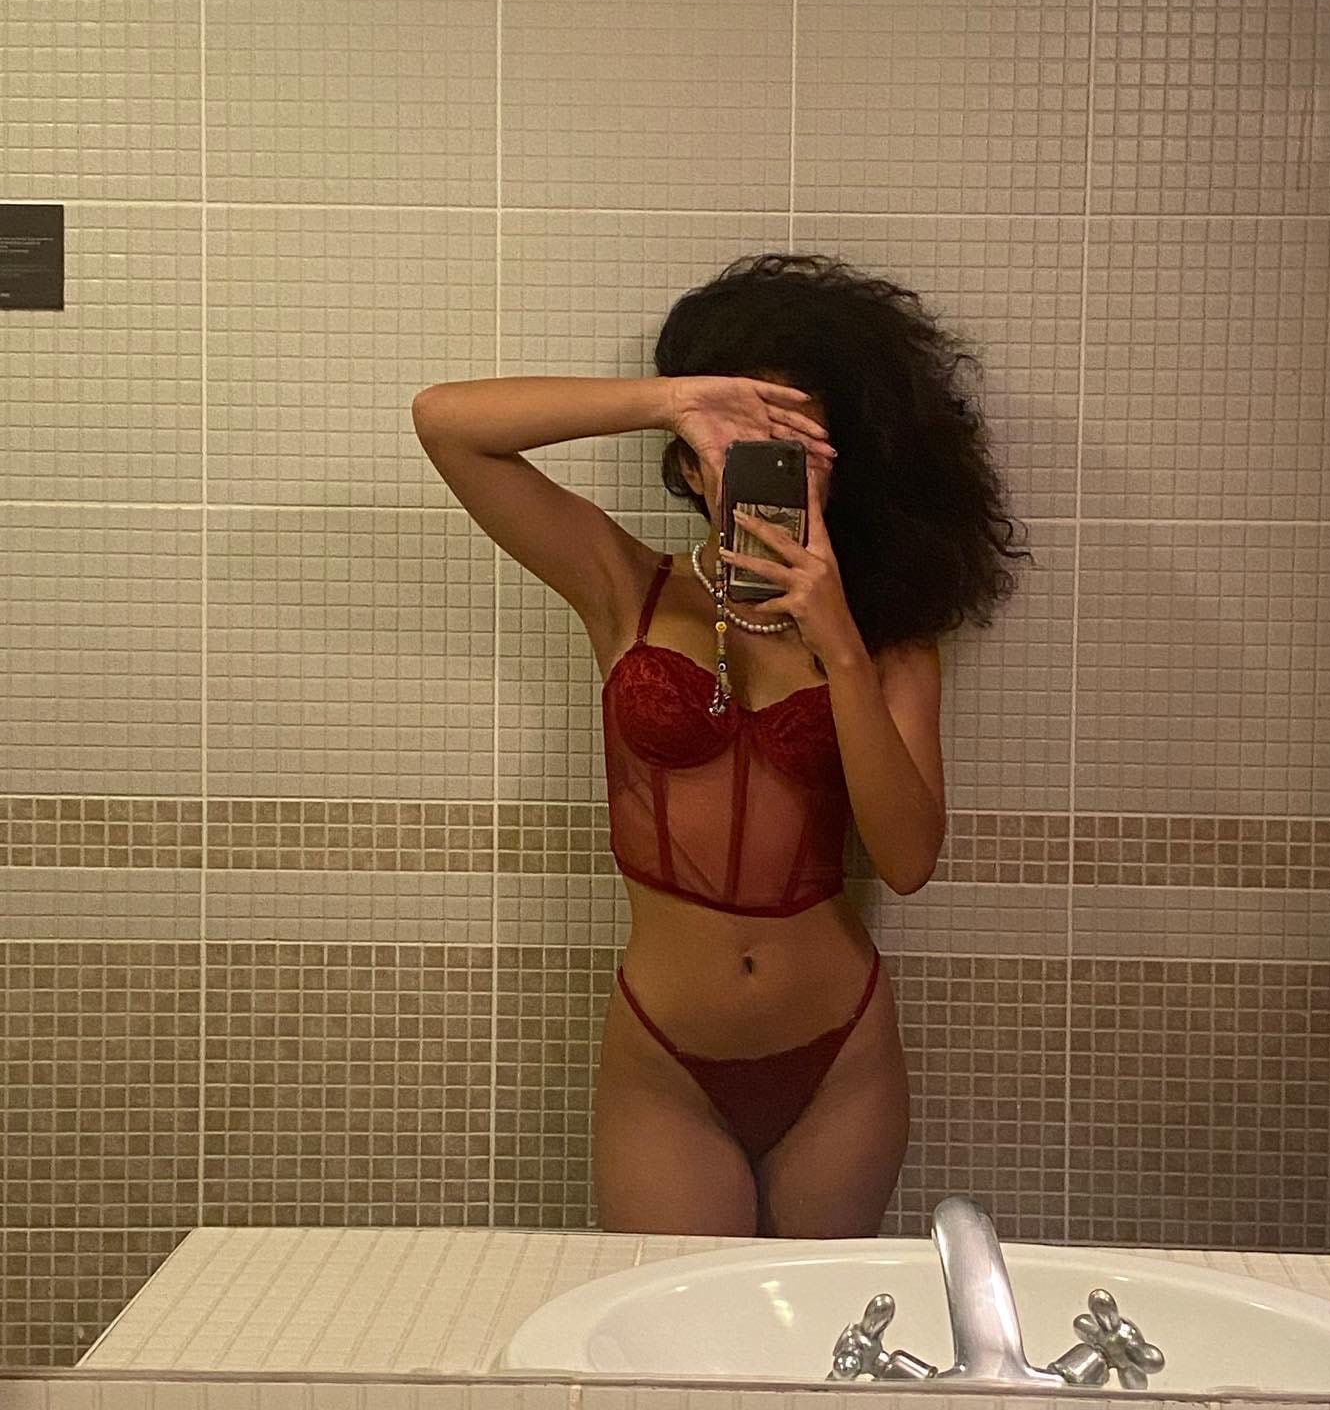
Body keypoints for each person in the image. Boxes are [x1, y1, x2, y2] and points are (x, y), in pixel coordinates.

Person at [411, 252, 1024, 1236]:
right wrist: (676, 397)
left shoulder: (890, 641)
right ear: (692, 463)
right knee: (669, 1327)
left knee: (819, 1334)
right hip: (666, 1063)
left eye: (795, 447)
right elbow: (446, 422)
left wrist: (837, 640)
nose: (759, 468)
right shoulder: (626, 587)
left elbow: (908, 860)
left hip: (840, 1062)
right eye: (736, 444)